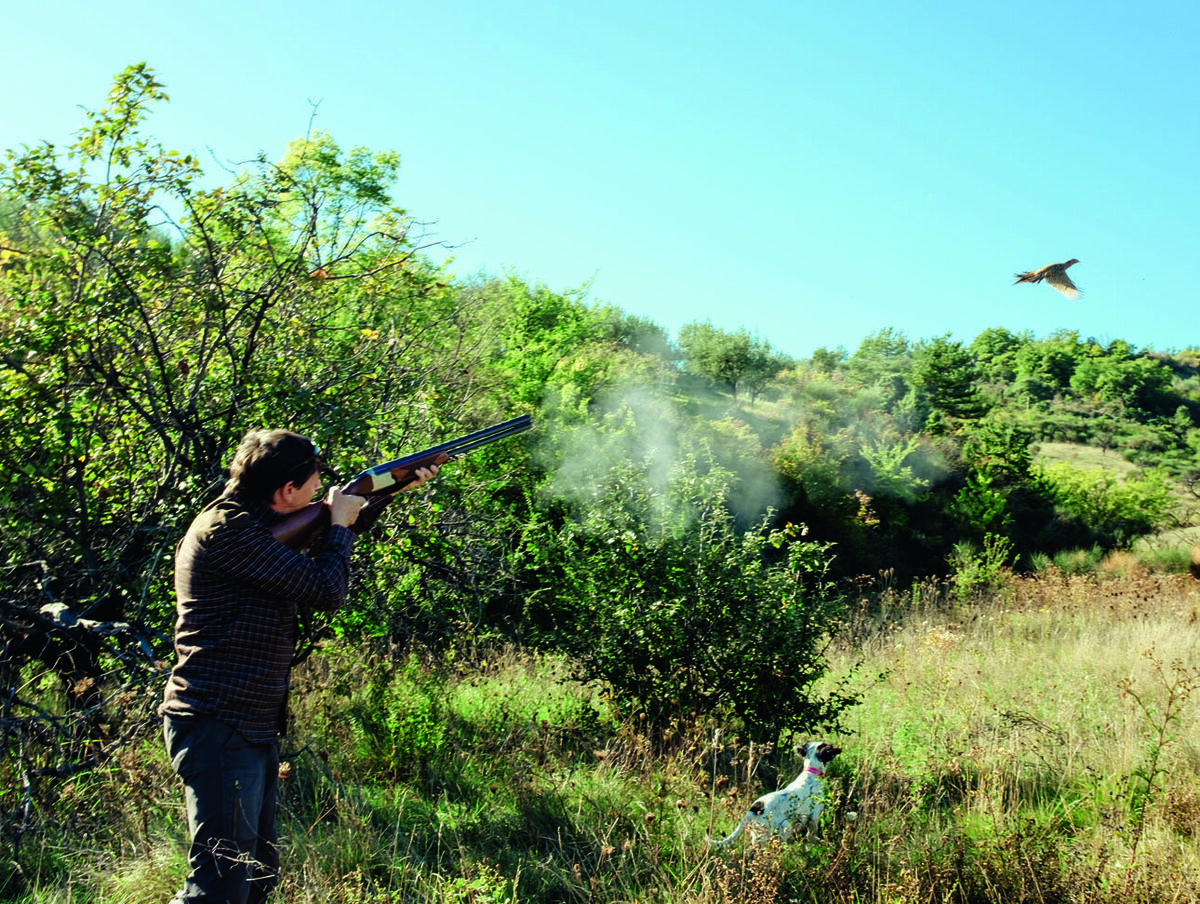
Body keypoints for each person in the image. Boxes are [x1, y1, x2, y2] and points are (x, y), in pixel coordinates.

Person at [160, 428, 437, 903]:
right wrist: (340, 525)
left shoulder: (250, 519)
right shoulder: (230, 532)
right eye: (312, 484)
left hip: (246, 723)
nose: (318, 490)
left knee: (254, 876)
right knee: (219, 883)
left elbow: (318, 535)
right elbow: (326, 587)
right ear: (287, 491)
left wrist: (387, 493)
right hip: (220, 722)